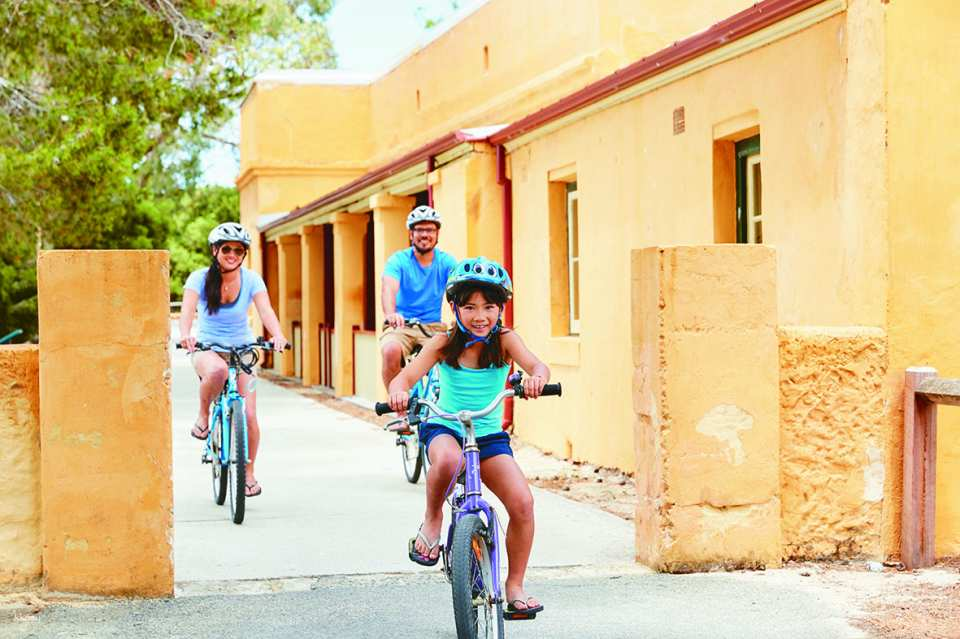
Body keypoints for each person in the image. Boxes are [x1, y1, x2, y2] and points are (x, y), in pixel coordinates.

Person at [387, 257, 550, 618]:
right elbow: (405, 377)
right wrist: (398, 392)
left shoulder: (505, 341)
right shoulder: (444, 342)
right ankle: (431, 521)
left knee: (522, 503)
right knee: (448, 460)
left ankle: (515, 586)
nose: (480, 316)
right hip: (446, 425)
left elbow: (537, 365)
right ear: (455, 308)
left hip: (488, 435)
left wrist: (536, 378)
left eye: (489, 307)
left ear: (501, 309)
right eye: (470, 306)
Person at [178, 222, 288, 498]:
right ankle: (203, 416)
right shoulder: (199, 278)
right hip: (207, 348)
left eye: (238, 250)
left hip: (243, 349)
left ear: (244, 254)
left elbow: (266, 311)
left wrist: (277, 335)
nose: (232, 254)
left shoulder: (252, 280)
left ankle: (249, 474)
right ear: (215, 250)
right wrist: (184, 335)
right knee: (216, 372)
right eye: (226, 249)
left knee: (249, 414)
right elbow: (188, 312)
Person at [380, 204, 458, 389]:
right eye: (419, 229)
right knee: (391, 351)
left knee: (454, 355)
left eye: (430, 229)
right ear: (411, 234)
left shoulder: (446, 262)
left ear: (437, 234)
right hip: (401, 325)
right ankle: (397, 403)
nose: (425, 234)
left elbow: (461, 288)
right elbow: (388, 288)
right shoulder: (398, 260)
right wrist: (391, 314)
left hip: (433, 326)